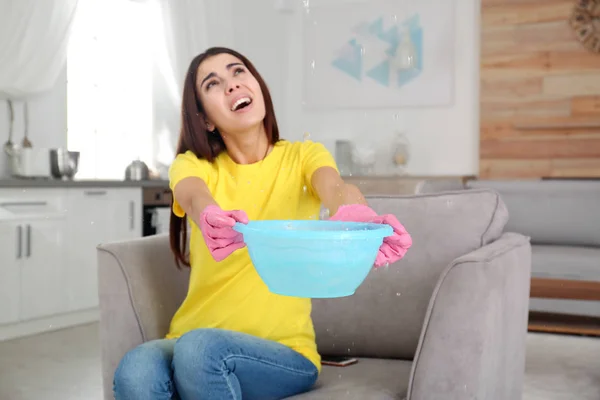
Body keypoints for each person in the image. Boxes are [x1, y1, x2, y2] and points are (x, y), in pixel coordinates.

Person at [113, 47, 412, 400]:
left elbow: (335, 188)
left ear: (258, 85)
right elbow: (193, 195)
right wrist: (209, 214)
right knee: (136, 369)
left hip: (283, 351)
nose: (231, 84)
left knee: (201, 351)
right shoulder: (193, 165)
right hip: (188, 337)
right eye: (213, 84)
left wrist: (358, 216)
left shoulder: (303, 156)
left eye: (238, 71)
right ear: (205, 119)